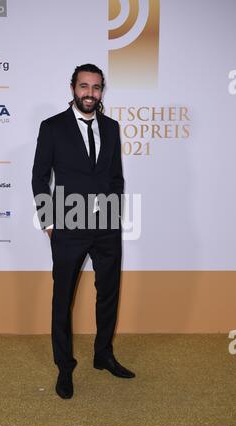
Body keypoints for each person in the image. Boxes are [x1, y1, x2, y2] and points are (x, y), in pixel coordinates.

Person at [32, 63, 135, 399]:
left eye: (96, 87)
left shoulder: (111, 126)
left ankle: (103, 354)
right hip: (68, 226)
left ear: (102, 90)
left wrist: (114, 213)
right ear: (73, 88)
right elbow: (39, 178)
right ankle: (65, 365)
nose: (90, 93)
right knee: (63, 298)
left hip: (106, 226)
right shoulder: (52, 127)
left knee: (109, 293)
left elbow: (116, 177)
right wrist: (49, 222)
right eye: (83, 86)